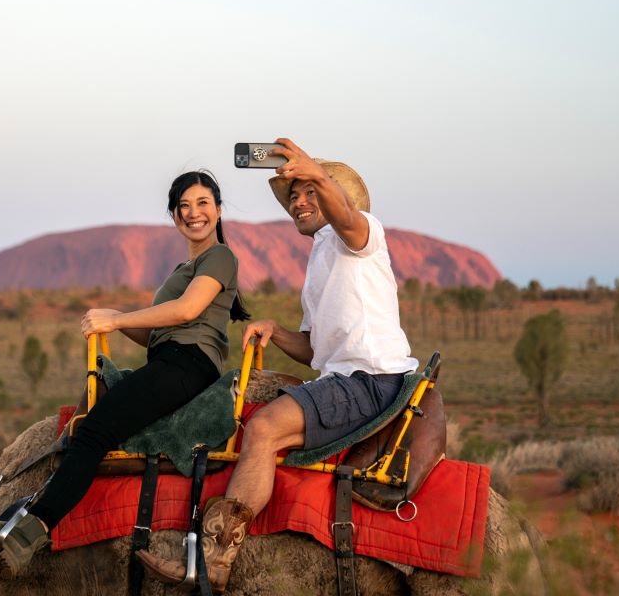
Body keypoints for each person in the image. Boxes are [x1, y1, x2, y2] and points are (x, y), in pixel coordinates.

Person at [138, 138, 419, 593]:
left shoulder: (362, 234)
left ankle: (215, 560)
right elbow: (315, 351)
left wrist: (313, 170)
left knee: (265, 429)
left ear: (333, 195)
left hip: (369, 381)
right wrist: (275, 330)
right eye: (294, 197)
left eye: (309, 193)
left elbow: (346, 216)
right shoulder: (322, 256)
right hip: (343, 376)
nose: (299, 203)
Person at [0, 170, 251, 576]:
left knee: (95, 432)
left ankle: (28, 536)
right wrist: (115, 318)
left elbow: (186, 312)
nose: (193, 213)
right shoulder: (186, 266)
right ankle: (16, 520)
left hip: (188, 363)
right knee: (92, 427)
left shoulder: (220, 256)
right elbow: (156, 336)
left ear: (218, 211)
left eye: (202, 204)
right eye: (184, 206)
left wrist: (117, 320)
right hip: (169, 359)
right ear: (174, 216)